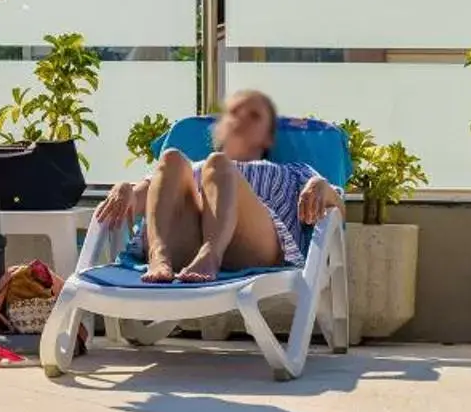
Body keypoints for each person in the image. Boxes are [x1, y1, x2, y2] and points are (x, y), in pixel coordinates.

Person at [92, 90, 338, 282]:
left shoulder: (293, 171)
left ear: (268, 135)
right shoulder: (190, 168)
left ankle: (211, 253)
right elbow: (141, 198)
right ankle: (159, 255)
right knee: (171, 158)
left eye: (253, 115)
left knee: (219, 165)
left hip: (255, 249)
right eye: (233, 113)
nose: (241, 119)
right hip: (185, 244)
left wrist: (319, 185)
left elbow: (338, 210)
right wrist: (124, 189)